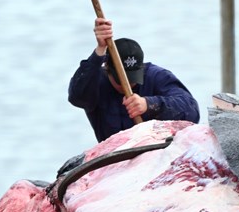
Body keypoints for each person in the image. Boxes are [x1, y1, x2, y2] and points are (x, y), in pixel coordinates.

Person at [68, 18, 200, 142]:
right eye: (121, 79)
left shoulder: (156, 76)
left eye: (133, 78)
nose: (129, 85)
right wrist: (99, 51)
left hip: (157, 153)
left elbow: (192, 111)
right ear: (107, 67)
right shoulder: (94, 81)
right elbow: (76, 97)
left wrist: (149, 104)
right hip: (114, 157)